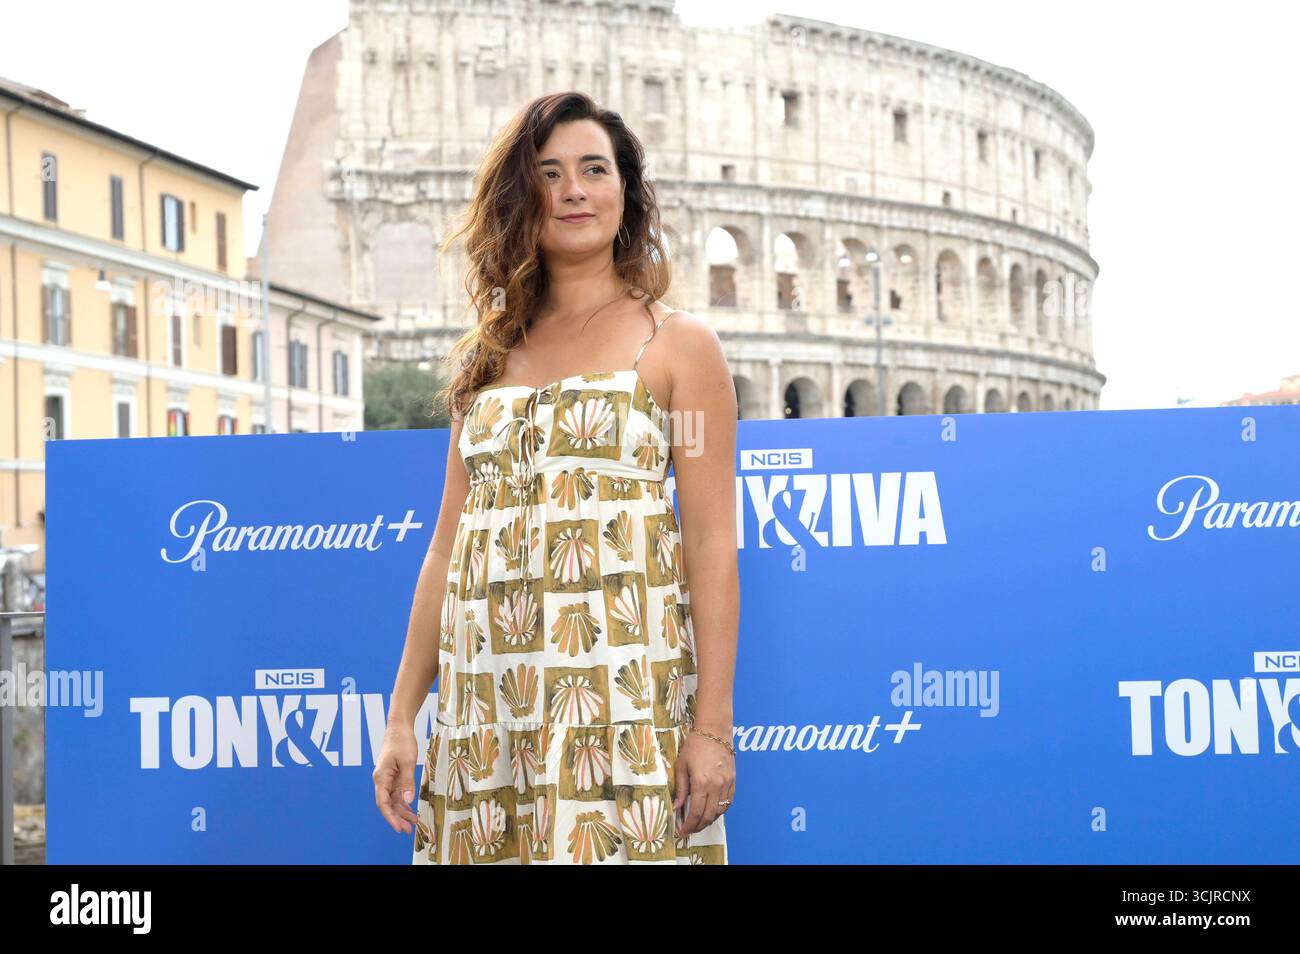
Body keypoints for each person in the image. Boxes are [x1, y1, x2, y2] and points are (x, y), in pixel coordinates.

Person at [374, 91, 739, 864]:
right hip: (485, 706)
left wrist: (710, 729)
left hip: (619, 703)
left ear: (626, 193)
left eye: (594, 169)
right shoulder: (483, 358)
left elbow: (711, 542)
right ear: (520, 198)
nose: (574, 189)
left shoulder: (678, 346)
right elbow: (446, 548)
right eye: (549, 172)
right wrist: (403, 714)